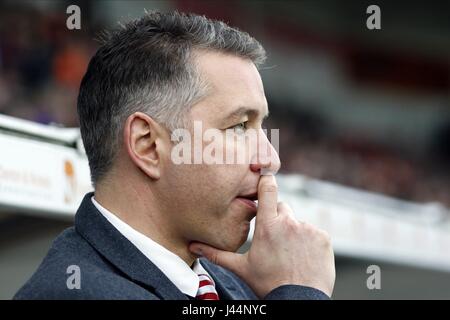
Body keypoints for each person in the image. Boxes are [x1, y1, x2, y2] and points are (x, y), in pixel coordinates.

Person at [14, 11, 335, 300]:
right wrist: (299, 290)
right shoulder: (74, 293)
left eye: (261, 127)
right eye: (239, 126)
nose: (271, 160)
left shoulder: (234, 286)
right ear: (148, 146)